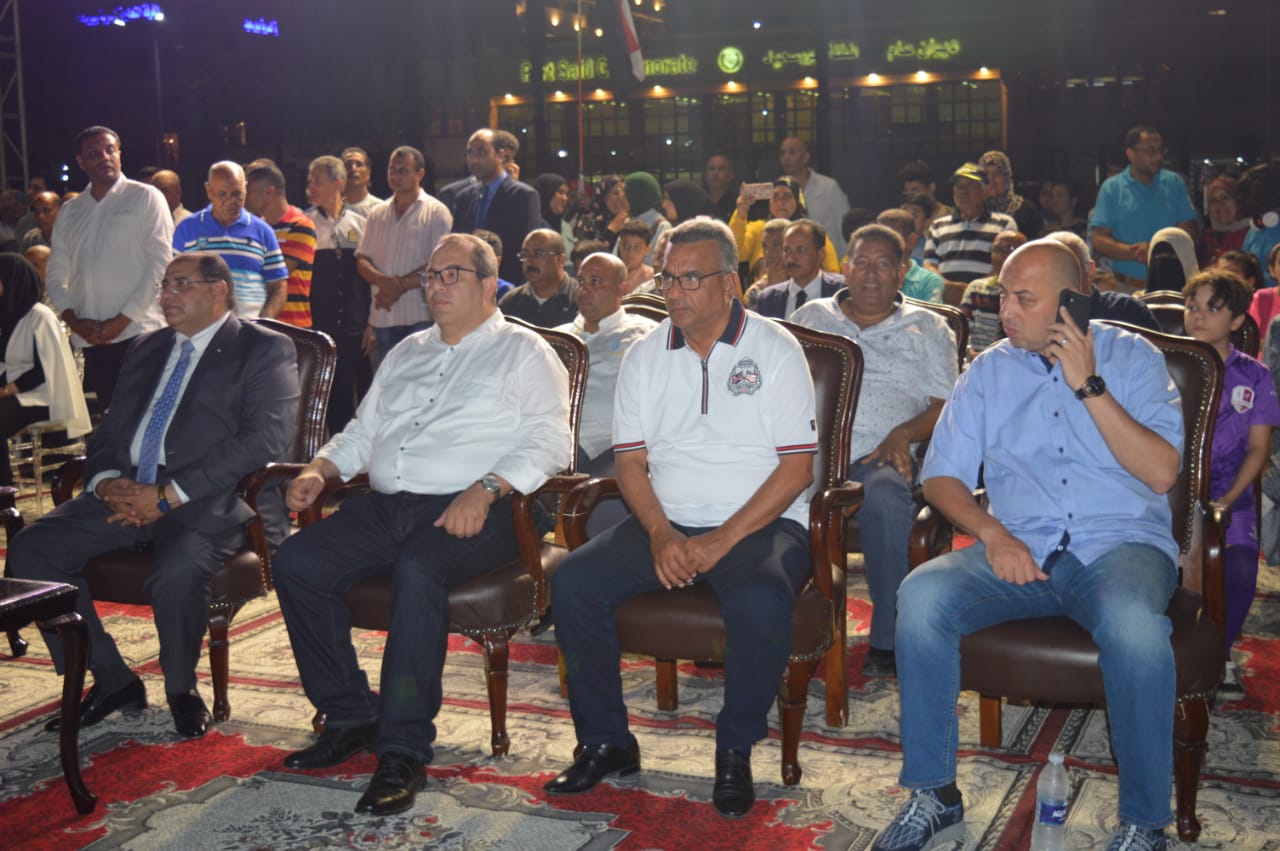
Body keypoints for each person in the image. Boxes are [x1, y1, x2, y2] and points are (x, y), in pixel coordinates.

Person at [872, 239, 1184, 851]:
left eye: (1023, 299)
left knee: (1136, 631)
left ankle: (1145, 823)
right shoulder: (989, 371)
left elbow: (1161, 474)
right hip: (1020, 547)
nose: (1005, 312)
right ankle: (934, 796)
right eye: (1002, 295)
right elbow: (941, 478)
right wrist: (992, 533)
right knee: (922, 596)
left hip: (1120, 547)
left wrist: (1088, 384)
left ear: (1071, 303)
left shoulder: (1133, 358)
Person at [272, 233, 571, 816]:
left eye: (451, 274)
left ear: (490, 284)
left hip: (486, 508)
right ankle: (351, 714)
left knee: (418, 569)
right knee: (297, 561)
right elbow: (364, 431)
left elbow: (551, 442)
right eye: (431, 276)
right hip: (389, 506)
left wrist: (485, 488)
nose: (435, 286)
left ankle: (403, 749)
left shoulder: (524, 352)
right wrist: (321, 467)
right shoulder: (408, 351)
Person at [545, 219, 818, 819]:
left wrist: (720, 540)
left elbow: (798, 469)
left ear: (730, 283)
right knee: (573, 580)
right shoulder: (646, 354)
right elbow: (630, 462)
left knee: (760, 598)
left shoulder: (774, 349)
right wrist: (661, 532)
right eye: (668, 278)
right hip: (667, 519)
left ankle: (734, 748)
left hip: (761, 523)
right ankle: (606, 740)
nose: (674, 292)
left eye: (690, 279)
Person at [9, 251, 300, 739]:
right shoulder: (146, 347)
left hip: (203, 498)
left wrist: (169, 495)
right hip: (126, 492)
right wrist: (106, 482)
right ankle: (111, 679)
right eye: (164, 286)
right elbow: (110, 430)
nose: (166, 296)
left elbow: (265, 438)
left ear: (219, 290)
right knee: (30, 549)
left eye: (180, 284)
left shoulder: (263, 348)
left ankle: (181, 689)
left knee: (178, 570)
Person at [792, 224, 957, 676]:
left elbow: (946, 406)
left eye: (883, 264)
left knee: (885, 497)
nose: (870, 274)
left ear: (902, 272)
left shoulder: (929, 328)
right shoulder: (811, 318)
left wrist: (904, 433)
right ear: (844, 268)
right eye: (861, 263)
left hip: (880, 455)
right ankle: (750, 624)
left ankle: (888, 638)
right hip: (807, 454)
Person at [1182, 269, 1280, 700]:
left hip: (1231, 492)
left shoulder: (1254, 375)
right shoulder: (1167, 364)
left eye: (1213, 308)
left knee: (1240, 571)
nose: (1198, 316)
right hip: (1171, 492)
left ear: (1238, 320)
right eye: (1191, 306)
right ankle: (1174, 652)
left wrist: (1228, 498)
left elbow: (1258, 449)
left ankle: (1218, 657)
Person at [47, 125, 172, 409]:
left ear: (119, 154)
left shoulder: (145, 197)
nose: (104, 157)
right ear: (80, 162)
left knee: (148, 419)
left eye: (110, 150)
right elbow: (55, 275)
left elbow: (160, 265)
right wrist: (74, 321)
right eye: (94, 154)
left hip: (141, 331)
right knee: (113, 422)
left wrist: (121, 321)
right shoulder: (71, 211)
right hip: (92, 337)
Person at [554, 251, 656, 481]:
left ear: (622, 288)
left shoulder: (644, 335)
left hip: (609, 443)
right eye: (581, 281)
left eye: (596, 282)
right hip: (550, 435)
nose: (584, 289)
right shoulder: (558, 338)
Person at [0, 253, 90, 484]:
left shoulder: (40, 316)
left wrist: (6, 390)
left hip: (44, 396)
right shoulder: (7, 315)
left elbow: (43, 371)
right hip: (17, 394)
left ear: (12, 280)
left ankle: (4, 493)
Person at [356, 145, 452, 361]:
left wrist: (397, 287)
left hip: (420, 316)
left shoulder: (437, 212)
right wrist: (382, 282)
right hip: (382, 316)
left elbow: (438, 263)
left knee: (421, 379)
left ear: (420, 174)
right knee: (386, 380)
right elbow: (362, 260)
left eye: (403, 171)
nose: (395, 176)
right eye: (392, 170)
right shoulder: (376, 213)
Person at [306, 155, 372, 436]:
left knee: (353, 390)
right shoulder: (305, 223)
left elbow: (368, 279)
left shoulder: (361, 222)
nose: (310, 186)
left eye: (317, 180)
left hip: (353, 323)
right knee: (321, 393)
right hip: (318, 323)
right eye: (309, 180)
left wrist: (370, 322)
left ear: (339, 183)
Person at [173, 161, 288, 321]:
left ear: (245, 188)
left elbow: (278, 286)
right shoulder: (187, 229)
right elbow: (174, 281)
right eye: (222, 194)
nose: (230, 201)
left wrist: (264, 322)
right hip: (199, 326)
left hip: (249, 326)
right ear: (209, 191)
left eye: (236, 194)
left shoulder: (263, 231)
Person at [1090, 126, 1199, 290]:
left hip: (1171, 286)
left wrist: (1155, 250)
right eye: (1151, 151)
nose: (1159, 156)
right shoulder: (1111, 188)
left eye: (1161, 150)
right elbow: (1099, 241)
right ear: (1130, 154)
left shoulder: (1174, 183)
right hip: (1125, 286)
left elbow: (1190, 233)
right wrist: (1135, 252)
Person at [438, 128, 542, 285]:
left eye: (481, 152)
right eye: (470, 153)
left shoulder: (523, 196)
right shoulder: (463, 197)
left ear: (500, 155)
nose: (474, 160)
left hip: (508, 286)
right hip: (468, 286)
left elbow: (528, 251)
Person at [924, 163, 1017, 303]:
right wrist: (948, 286)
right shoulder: (938, 225)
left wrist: (974, 289)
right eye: (958, 186)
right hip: (947, 302)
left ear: (986, 190)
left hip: (988, 303)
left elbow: (1008, 264)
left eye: (970, 185)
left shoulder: (1004, 224)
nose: (962, 191)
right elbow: (929, 265)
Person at [245, 161, 316, 328]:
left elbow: (276, 273)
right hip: (256, 323)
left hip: (292, 326)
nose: (244, 198)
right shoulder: (252, 228)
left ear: (269, 192)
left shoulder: (300, 225)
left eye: (249, 191)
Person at [1045, 230, 1161, 331]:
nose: (1059, 277)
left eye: (1068, 268)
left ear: (1090, 271)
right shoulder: (1036, 317)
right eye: (1049, 271)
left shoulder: (1127, 311)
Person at [729, 176, 839, 274]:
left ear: (797, 201)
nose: (780, 202)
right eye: (775, 196)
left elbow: (832, 273)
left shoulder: (812, 233)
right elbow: (736, 253)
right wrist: (741, 212)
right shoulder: (759, 229)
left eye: (787, 196)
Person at [752, 219, 843, 319]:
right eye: (787, 250)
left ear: (821, 254)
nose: (791, 258)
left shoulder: (842, 291)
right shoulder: (767, 299)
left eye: (801, 250)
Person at [960, 230, 1027, 355]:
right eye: (997, 249)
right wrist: (971, 353)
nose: (1002, 255)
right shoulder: (976, 288)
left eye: (1010, 249)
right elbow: (961, 330)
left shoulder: (1029, 295)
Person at [498, 228, 578, 327]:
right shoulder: (511, 302)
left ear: (560, 259)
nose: (529, 261)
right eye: (525, 254)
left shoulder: (580, 298)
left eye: (538, 254)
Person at [778, 136, 850, 245]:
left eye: (792, 152)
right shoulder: (779, 191)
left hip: (830, 254)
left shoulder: (828, 187)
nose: (786, 157)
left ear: (806, 157)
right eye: (782, 153)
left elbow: (845, 227)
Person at [876, 208, 944, 303]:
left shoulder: (929, 281)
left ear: (912, 240)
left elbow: (931, 313)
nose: (882, 246)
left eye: (891, 239)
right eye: (878, 239)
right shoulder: (869, 275)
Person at [979, 150, 1043, 239]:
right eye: (986, 174)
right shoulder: (973, 210)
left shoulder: (1027, 210)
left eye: (997, 174)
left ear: (1007, 177)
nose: (991, 179)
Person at [620, 172, 672, 265]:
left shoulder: (662, 226)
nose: (621, 197)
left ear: (637, 195)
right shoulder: (628, 221)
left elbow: (657, 264)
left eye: (625, 192)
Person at [1199, 176, 1250, 266]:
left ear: (1237, 200)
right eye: (1213, 201)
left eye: (1225, 198)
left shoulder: (1251, 234)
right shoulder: (1208, 238)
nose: (1220, 204)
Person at [744, 218, 790, 306]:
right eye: (765, 246)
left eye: (776, 246)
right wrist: (771, 287)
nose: (769, 253)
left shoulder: (805, 281)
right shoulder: (754, 292)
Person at [576, 174, 628, 251]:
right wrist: (612, 229)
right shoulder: (587, 222)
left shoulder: (629, 219)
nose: (621, 197)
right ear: (603, 196)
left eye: (624, 192)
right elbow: (588, 253)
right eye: (616, 193)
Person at [1145, 226, 1199, 294]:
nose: (1163, 265)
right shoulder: (1137, 299)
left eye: (1171, 256)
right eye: (1156, 257)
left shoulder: (1202, 297)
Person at [341, 147, 384, 219]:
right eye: (348, 165)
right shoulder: (331, 209)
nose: (353, 168)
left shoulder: (381, 209)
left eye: (359, 164)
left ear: (368, 172)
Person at [616, 219, 654, 295]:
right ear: (619, 245)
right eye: (626, 246)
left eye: (637, 247)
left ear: (647, 250)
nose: (630, 252)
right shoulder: (609, 274)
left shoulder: (652, 279)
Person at [703, 152, 739, 223]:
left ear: (731, 175)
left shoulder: (738, 203)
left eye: (721, 169)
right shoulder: (697, 201)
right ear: (705, 174)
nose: (715, 173)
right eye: (711, 169)